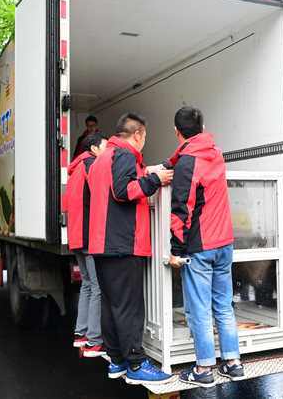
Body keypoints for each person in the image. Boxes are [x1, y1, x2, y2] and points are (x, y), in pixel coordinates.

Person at [87, 113, 174, 385]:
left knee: (112, 304)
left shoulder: (103, 158)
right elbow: (123, 191)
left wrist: (147, 172)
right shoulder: (123, 155)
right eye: (145, 137)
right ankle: (136, 362)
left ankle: (117, 360)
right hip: (123, 243)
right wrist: (155, 180)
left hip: (102, 243)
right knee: (130, 307)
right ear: (138, 134)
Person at [166, 106, 244, 388]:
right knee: (223, 305)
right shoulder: (215, 153)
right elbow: (186, 157)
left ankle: (204, 368)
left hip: (200, 245)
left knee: (199, 309)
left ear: (177, 132)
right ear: (201, 128)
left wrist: (176, 249)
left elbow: (180, 211)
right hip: (225, 242)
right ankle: (233, 364)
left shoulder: (188, 163)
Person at [66, 132, 107, 358]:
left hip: (76, 237)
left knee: (87, 285)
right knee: (97, 287)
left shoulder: (76, 168)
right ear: (93, 149)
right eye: (106, 147)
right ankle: (94, 339)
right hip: (90, 236)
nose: (108, 151)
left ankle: (81, 333)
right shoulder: (92, 165)